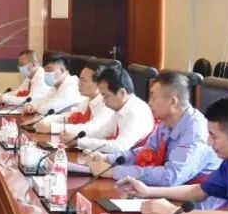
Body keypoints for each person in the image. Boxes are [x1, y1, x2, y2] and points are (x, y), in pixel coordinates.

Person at [93, 72, 221, 200]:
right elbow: (145, 153)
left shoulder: (196, 131)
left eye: (153, 97)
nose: (149, 103)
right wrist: (108, 159)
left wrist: (114, 172)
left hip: (194, 203)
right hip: (162, 194)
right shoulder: (166, 123)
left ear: (173, 101)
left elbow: (171, 176)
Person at [71, 64, 154, 152]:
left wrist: (80, 142)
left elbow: (120, 146)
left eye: (105, 96)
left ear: (121, 93)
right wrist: (76, 138)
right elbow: (102, 132)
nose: (103, 101)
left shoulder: (135, 112)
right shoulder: (122, 108)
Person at [36, 60, 112, 135]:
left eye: (83, 80)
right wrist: (46, 120)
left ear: (98, 84)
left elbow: (90, 129)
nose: (78, 84)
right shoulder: (87, 100)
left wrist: (54, 128)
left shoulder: (107, 104)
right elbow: (68, 116)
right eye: (80, 79)